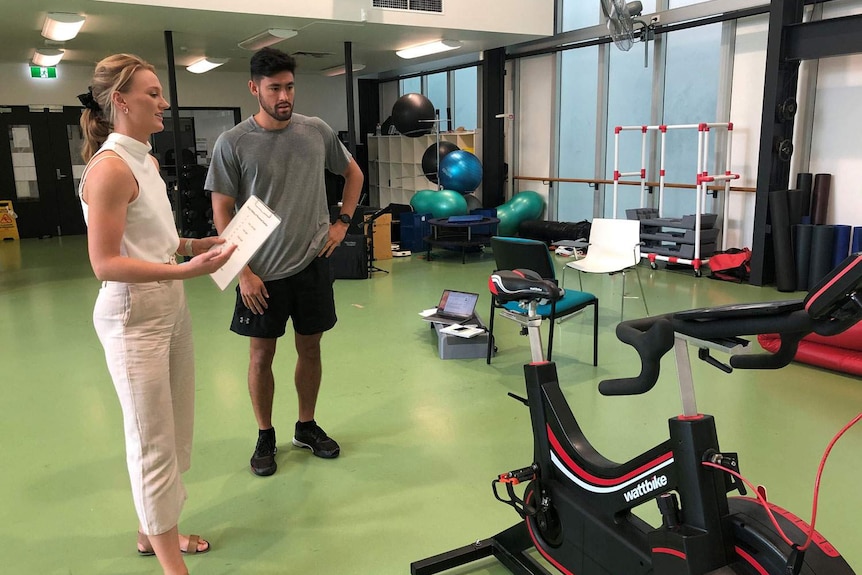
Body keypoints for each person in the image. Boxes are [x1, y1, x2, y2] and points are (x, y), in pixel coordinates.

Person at [78, 53, 236, 575]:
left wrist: (194, 244)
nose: (164, 102)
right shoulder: (109, 168)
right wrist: (188, 272)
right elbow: (106, 264)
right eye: (152, 93)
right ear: (120, 101)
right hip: (132, 315)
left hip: (169, 304)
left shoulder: (143, 157)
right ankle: (172, 564)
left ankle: (153, 531)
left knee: (177, 430)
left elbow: (151, 241)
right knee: (152, 441)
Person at [206, 47, 364, 477]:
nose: (284, 96)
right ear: (254, 88)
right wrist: (243, 273)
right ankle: (264, 434)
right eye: (274, 87)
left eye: (290, 86)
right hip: (261, 273)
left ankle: (306, 426)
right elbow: (222, 212)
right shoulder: (233, 143)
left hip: (312, 265)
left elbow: (354, 174)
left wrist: (341, 224)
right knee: (261, 356)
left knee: (310, 347)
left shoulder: (315, 131)